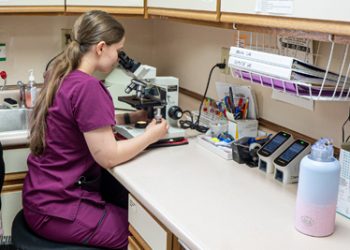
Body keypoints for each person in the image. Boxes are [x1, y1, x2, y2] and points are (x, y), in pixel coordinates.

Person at [22, 10, 168, 249]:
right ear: (101, 47)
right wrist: (151, 136)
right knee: (143, 236)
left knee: (132, 212)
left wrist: (132, 116)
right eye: (118, 51)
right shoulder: (88, 87)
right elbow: (109, 156)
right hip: (60, 209)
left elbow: (80, 120)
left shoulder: (60, 74)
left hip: (41, 199)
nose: (118, 57)